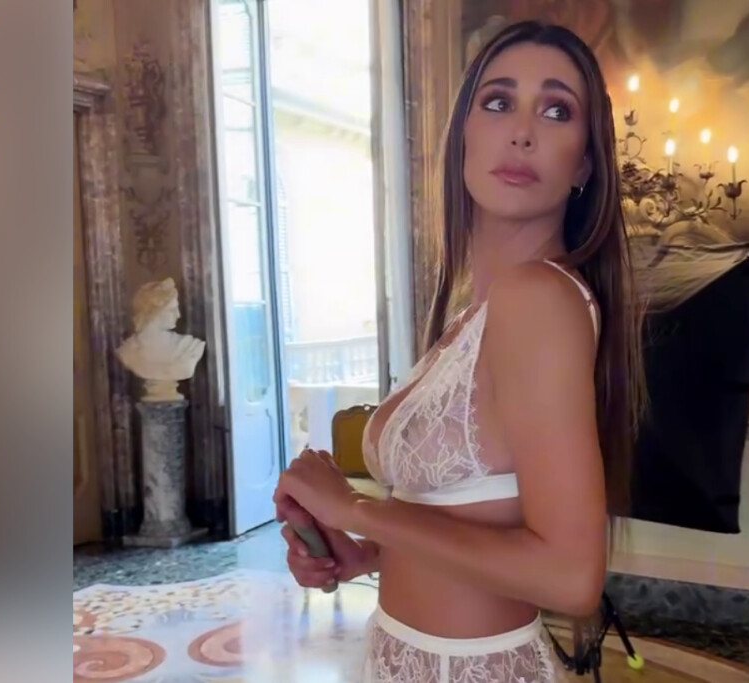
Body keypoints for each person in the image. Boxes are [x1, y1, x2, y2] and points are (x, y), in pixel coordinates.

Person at [273, 20, 645, 682]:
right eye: (498, 101)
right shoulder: (475, 313)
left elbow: (570, 576)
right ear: (464, 134)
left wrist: (353, 508)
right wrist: (366, 554)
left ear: (585, 163)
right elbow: (476, 520)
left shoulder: (538, 299)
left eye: (556, 110)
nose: (521, 130)